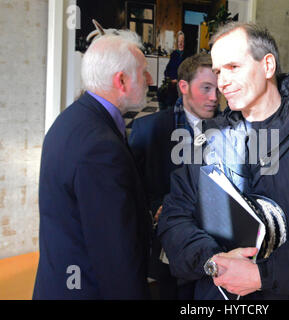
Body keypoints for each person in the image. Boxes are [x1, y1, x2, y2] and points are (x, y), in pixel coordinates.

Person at [157, 22, 289, 300]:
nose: (222, 82)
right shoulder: (209, 137)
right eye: (219, 71)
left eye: (233, 67)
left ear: (268, 66)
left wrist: (261, 275)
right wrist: (213, 261)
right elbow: (175, 216)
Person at [33, 31, 153, 299]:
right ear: (121, 80)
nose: (150, 80)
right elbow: (115, 256)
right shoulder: (100, 148)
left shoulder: (73, 118)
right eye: (143, 72)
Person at [129, 52, 220, 299]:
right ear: (183, 87)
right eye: (206, 88)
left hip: (217, 253)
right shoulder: (148, 130)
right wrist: (156, 207)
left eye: (217, 88)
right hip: (168, 252)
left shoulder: (230, 128)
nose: (214, 97)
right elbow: (131, 190)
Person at [160, 31, 188, 109]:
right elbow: (167, 69)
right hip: (172, 83)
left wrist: (177, 80)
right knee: (163, 96)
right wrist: (168, 78)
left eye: (182, 41)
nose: (180, 44)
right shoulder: (174, 54)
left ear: (184, 42)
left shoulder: (187, 55)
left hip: (181, 83)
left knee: (174, 100)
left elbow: (188, 72)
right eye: (179, 41)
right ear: (176, 42)